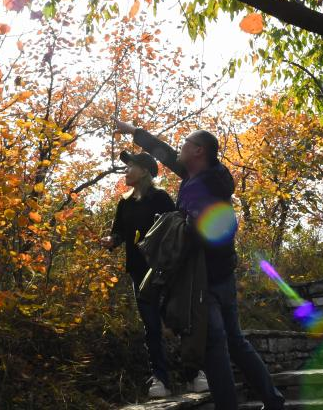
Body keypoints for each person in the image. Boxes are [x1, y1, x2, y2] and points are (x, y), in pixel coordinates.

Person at [114, 120, 285, 410]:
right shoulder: (202, 175)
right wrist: (134, 132)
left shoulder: (201, 186)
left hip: (205, 278)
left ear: (198, 151)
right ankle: (273, 400)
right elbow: (165, 153)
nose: (179, 147)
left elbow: (209, 230)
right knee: (235, 341)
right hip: (220, 274)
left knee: (215, 347)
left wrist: (178, 232)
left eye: (185, 144)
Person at [101, 150, 208, 398]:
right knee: (152, 327)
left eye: (131, 167)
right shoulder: (124, 203)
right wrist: (111, 240)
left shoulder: (160, 198)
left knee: (177, 320)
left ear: (145, 171)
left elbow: (177, 227)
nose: (126, 171)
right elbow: (119, 233)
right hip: (138, 273)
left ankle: (193, 374)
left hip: (164, 270)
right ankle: (161, 380)